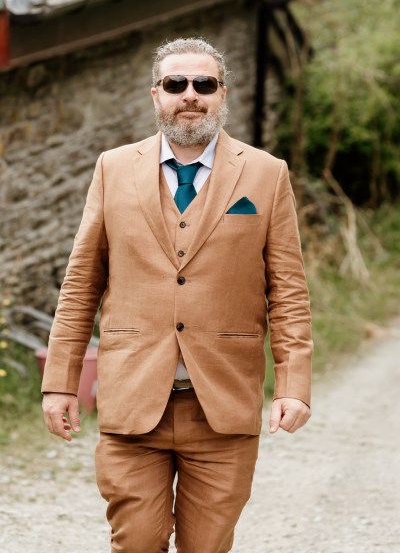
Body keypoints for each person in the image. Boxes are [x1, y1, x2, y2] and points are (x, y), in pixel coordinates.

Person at [42, 37, 313, 553]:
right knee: (137, 542)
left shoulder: (265, 173)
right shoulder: (113, 168)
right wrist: (60, 382)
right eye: (176, 84)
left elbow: (289, 291)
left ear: (221, 94)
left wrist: (293, 384)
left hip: (223, 407)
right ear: (156, 95)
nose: (190, 94)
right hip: (132, 401)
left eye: (204, 84)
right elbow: (81, 285)